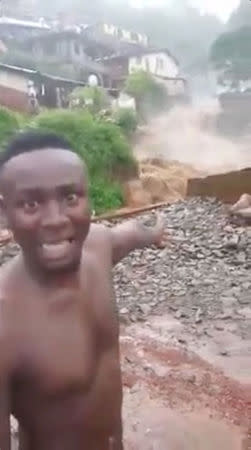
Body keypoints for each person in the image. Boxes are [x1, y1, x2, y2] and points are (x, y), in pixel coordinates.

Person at [0, 132, 167, 450]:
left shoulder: (98, 247)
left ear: (88, 198)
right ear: (4, 213)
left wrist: (154, 233)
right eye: (31, 203)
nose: (56, 219)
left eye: (70, 198)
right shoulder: (5, 323)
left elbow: (128, 234)